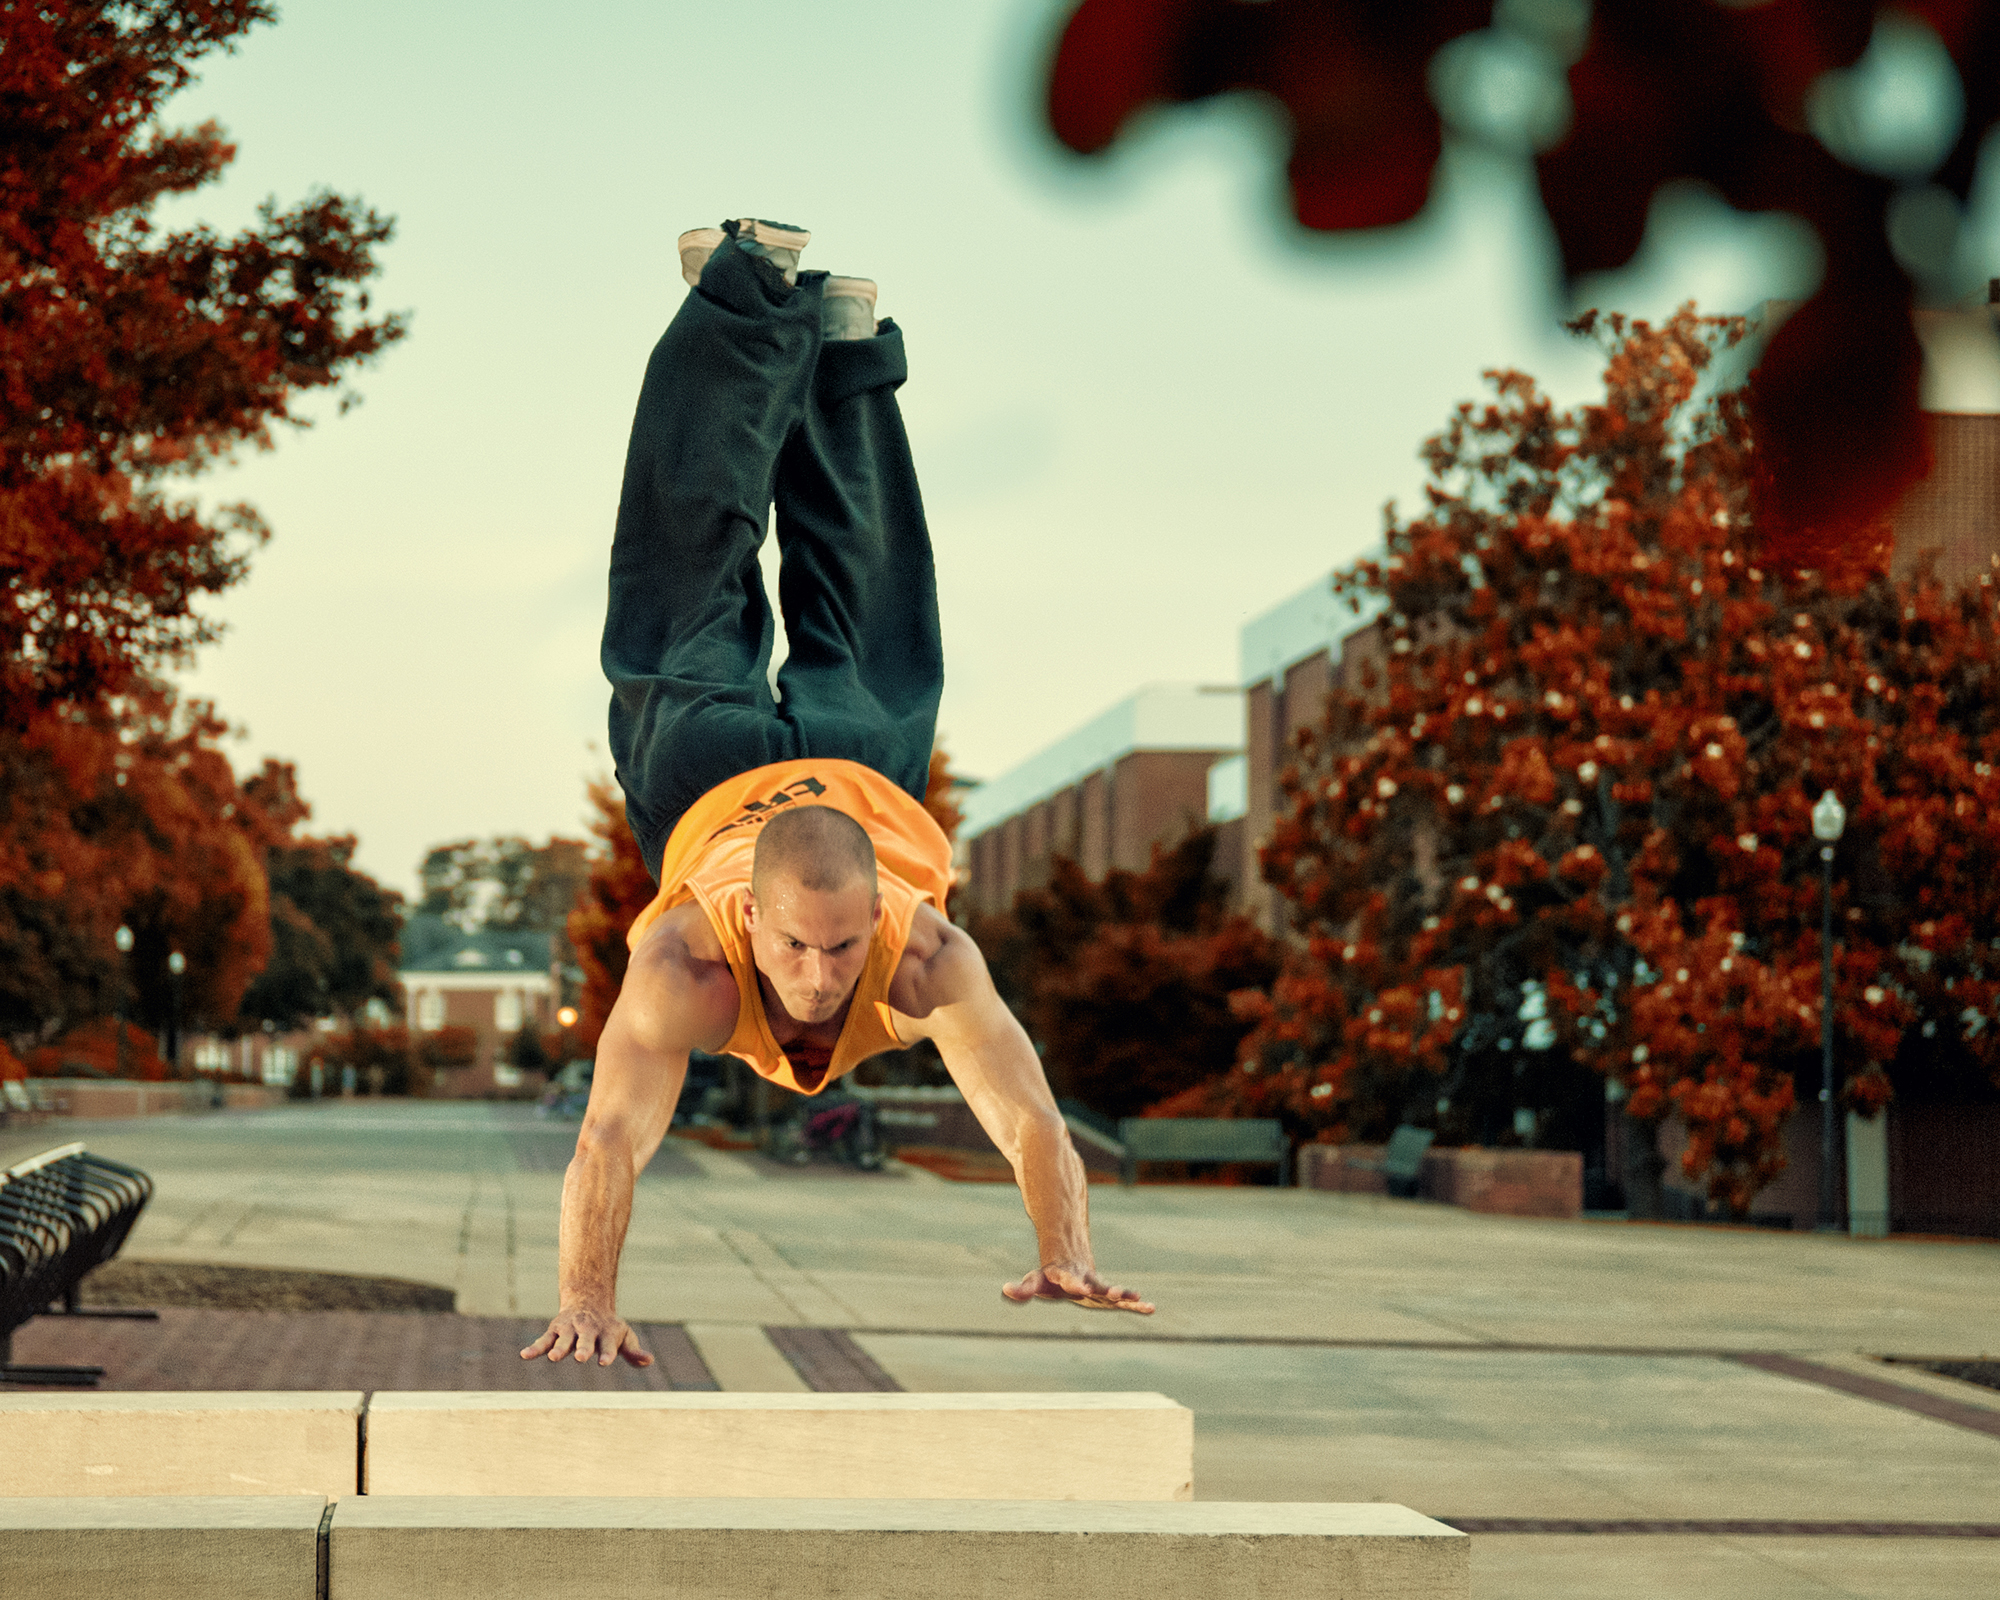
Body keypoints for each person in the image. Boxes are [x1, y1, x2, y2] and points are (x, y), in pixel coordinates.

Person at [523, 219, 1154, 1370]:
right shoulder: (683, 961)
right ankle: (830, 337)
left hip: (715, 769)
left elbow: (1025, 1114)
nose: (820, 979)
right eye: (802, 948)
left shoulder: (926, 954)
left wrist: (1064, 1244)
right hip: (822, 777)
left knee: (701, 570)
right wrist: (586, 1294)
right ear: (751, 920)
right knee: (856, 574)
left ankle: (757, 296)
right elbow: (608, 1134)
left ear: (879, 918)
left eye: (842, 947)